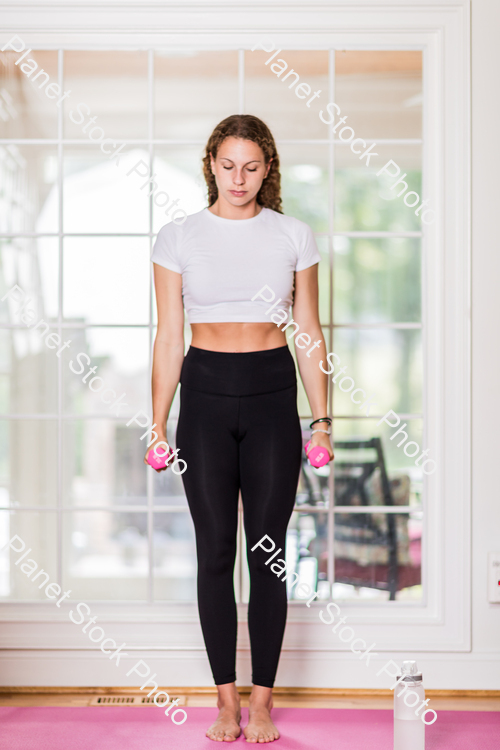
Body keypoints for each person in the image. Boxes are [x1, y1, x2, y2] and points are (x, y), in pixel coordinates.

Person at [146, 114, 333, 743]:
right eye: (228, 165)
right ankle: (224, 702)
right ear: (210, 166)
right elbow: (170, 335)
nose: (239, 178)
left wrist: (323, 418)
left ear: (268, 170)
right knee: (214, 551)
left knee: (268, 554)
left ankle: (262, 704)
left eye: (251, 166)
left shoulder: (294, 236)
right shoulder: (177, 237)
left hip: (272, 394)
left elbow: (308, 331)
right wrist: (156, 421)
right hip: (203, 395)